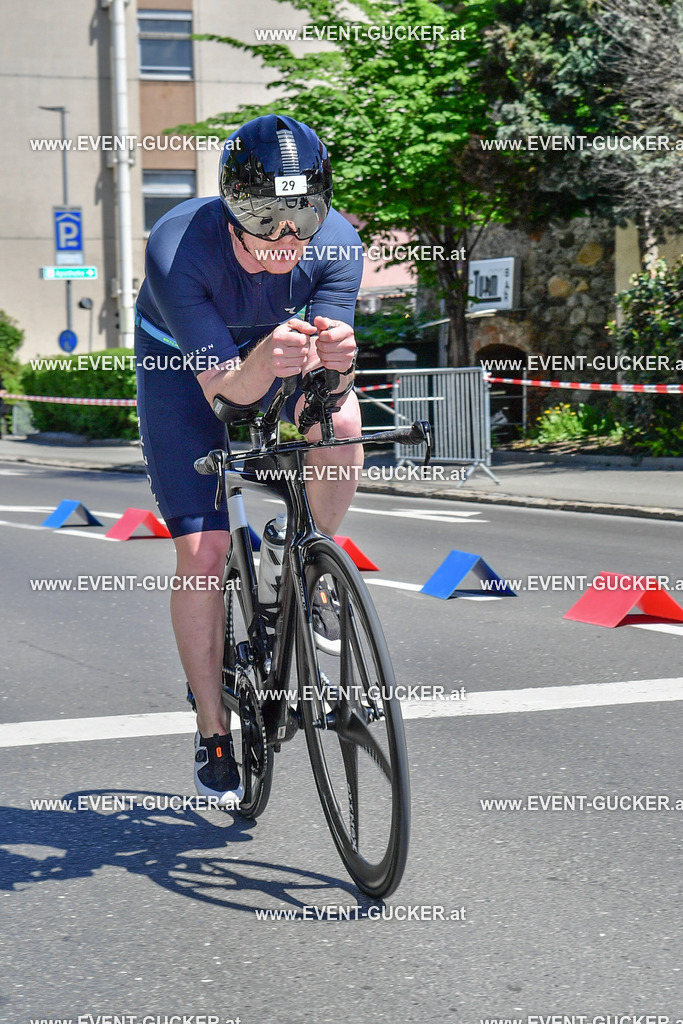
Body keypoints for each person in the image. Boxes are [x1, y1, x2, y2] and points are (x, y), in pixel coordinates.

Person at [134, 114, 364, 806]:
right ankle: (212, 728)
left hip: (277, 352)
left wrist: (343, 370)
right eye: (265, 218)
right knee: (202, 551)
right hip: (186, 371)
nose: (285, 239)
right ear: (232, 211)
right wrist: (263, 358)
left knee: (342, 420)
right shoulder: (179, 247)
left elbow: (325, 386)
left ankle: (312, 558)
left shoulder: (338, 244)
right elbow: (228, 396)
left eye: (303, 215)